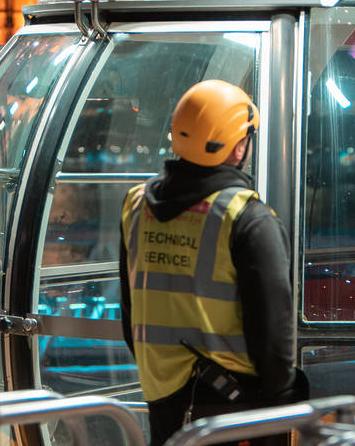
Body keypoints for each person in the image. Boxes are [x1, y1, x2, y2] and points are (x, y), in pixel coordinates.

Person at [119, 80, 302, 446]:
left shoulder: (136, 205)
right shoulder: (247, 218)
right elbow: (273, 331)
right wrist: (282, 400)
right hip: (237, 409)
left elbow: (130, 312)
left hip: (164, 401)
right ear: (237, 147)